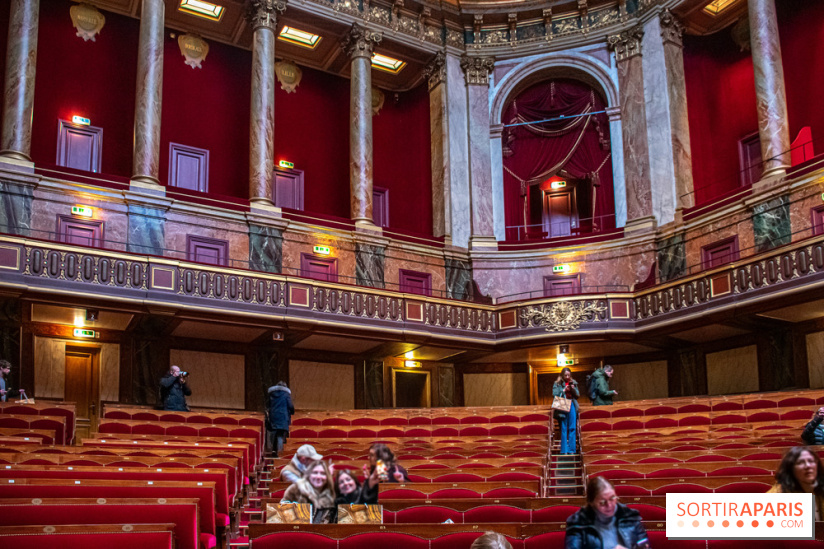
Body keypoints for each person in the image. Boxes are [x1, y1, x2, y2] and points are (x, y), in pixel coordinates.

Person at [565, 476, 650, 549]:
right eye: (602, 502)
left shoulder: (630, 516)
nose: (609, 505)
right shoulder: (578, 522)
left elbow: (645, 546)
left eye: (612, 498)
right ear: (591, 503)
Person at [767, 446, 824, 520]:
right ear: (790, 469)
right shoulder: (776, 496)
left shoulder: (820, 488)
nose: (808, 466)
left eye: (811, 461)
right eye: (800, 462)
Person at [280, 459, 336, 523]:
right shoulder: (295, 490)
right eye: (315, 472)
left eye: (323, 473)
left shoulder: (333, 493)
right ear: (309, 475)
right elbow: (282, 517)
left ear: (327, 476)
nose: (318, 477)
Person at [553, 366, 580, 455]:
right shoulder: (557, 383)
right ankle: (564, 450)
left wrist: (573, 388)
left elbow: (577, 395)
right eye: (565, 375)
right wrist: (563, 390)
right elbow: (554, 394)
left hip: (571, 404)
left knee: (572, 427)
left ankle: (571, 449)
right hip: (563, 403)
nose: (567, 377)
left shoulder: (573, 382)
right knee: (564, 427)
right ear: (562, 375)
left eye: (569, 375)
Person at [266, 381, 294, 456]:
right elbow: (290, 406)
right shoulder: (286, 394)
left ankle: (274, 450)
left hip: (273, 415)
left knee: (274, 433)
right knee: (280, 434)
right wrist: (292, 412)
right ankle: (280, 452)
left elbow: (267, 405)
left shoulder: (271, 394)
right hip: (283, 416)